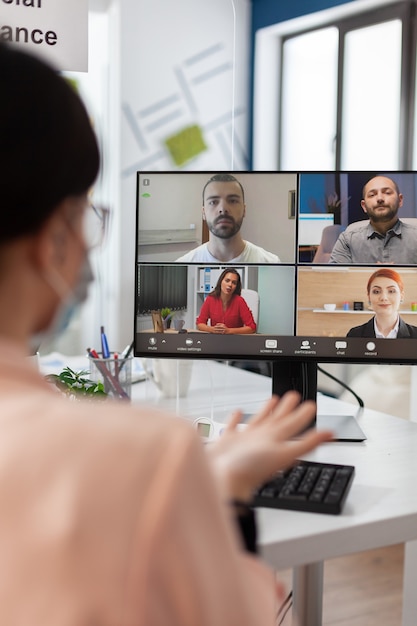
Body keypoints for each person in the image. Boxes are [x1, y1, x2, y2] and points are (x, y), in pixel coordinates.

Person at [0, 44, 332, 625]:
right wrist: (214, 495)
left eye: (233, 198)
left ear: (244, 209)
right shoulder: (147, 460)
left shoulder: (269, 261)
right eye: (86, 215)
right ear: (55, 238)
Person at [176, 173, 281, 263]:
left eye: (233, 201)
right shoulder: (183, 264)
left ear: (244, 210)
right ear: (203, 212)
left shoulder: (271, 262)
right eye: (213, 202)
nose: (223, 209)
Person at [329, 175, 417, 264]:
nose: (379, 199)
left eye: (387, 193)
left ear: (400, 200)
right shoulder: (347, 240)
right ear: (364, 206)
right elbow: (334, 277)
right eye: (372, 195)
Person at [347, 268, 417, 338]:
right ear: (369, 296)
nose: (384, 298)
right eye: (376, 291)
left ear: (401, 296)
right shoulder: (354, 335)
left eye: (391, 291)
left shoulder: (415, 335)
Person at [197, 268, 256, 334]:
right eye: (227, 281)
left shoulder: (239, 301)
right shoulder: (210, 299)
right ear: (221, 282)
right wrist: (212, 329)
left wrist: (228, 331)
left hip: (235, 340)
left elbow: (252, 327)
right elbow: (200, 323)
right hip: (215, 339)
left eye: (234, 283)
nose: (230, 285)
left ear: (236, 286)